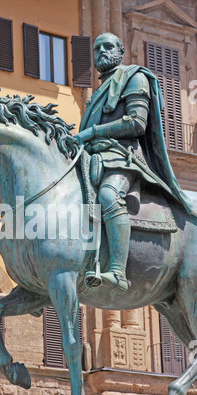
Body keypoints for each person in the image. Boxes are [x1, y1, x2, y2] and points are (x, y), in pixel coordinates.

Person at [75, 32, 196, 292]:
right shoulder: (97, 92)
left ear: (120, 51)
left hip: (122, 158)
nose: (102, 52)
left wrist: (94, 132)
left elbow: (137, 122)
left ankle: (118, 270)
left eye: (108, 47)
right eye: (97, 49)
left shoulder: (134, 77)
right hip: (93, 157)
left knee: (108, 196)